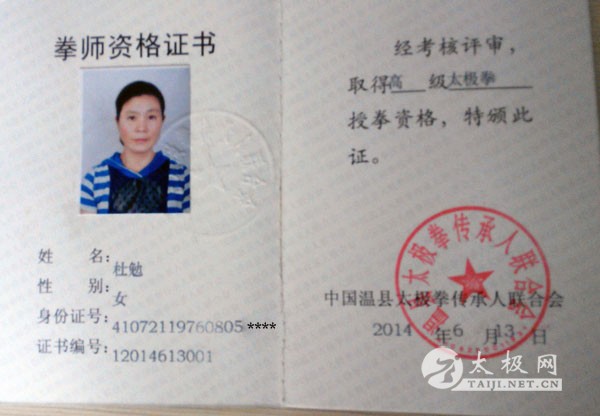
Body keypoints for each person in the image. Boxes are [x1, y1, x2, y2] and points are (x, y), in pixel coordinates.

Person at [80, 81, 190, 214]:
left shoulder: (183, 179)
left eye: (151, 117)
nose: (142, 128)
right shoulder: (93, 180)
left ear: (162, 120)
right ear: (118, 122)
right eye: (132, 118)